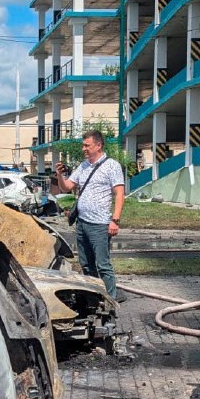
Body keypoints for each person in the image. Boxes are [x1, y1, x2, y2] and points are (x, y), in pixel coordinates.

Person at [55, 129, 125, 301]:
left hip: (100, 225)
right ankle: (93, 298)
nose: (84, 149)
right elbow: (66, 187)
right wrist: (59, 175)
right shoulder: (83, 166)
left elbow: (119, 194)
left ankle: (110, 299)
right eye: (83, 145)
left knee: (103, 265)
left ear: (98, 145)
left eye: (87, 145)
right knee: (86, 264)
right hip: (82, 223)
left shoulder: (112, 166)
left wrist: (114, 220)